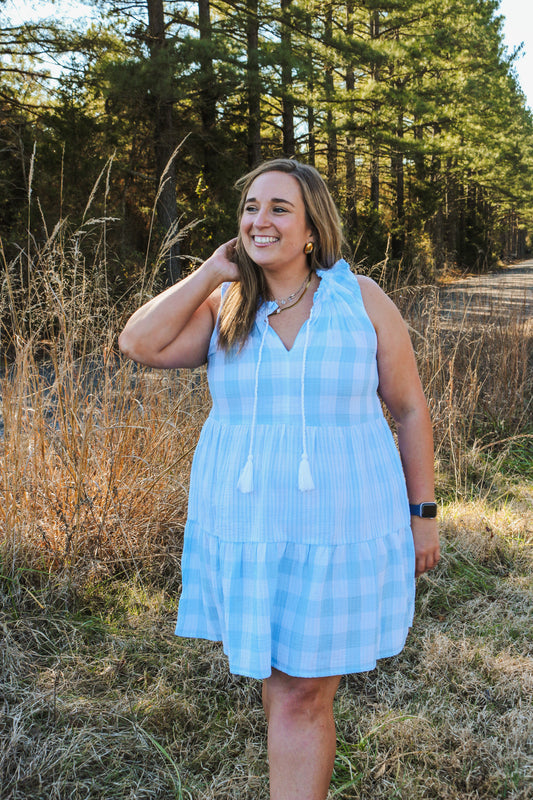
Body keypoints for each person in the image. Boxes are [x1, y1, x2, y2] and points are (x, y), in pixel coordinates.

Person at [118, 158, 440, 800]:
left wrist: (422, 514)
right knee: (281, 682)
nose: (259, 220)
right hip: (251, 526)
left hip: (342, 525)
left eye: (279, 208)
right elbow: (139, 343)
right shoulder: (226, 305)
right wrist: (211, 270)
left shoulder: (360, 299)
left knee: (300, 694)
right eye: (251, 208)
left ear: (313, 227)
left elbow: (408, 407)